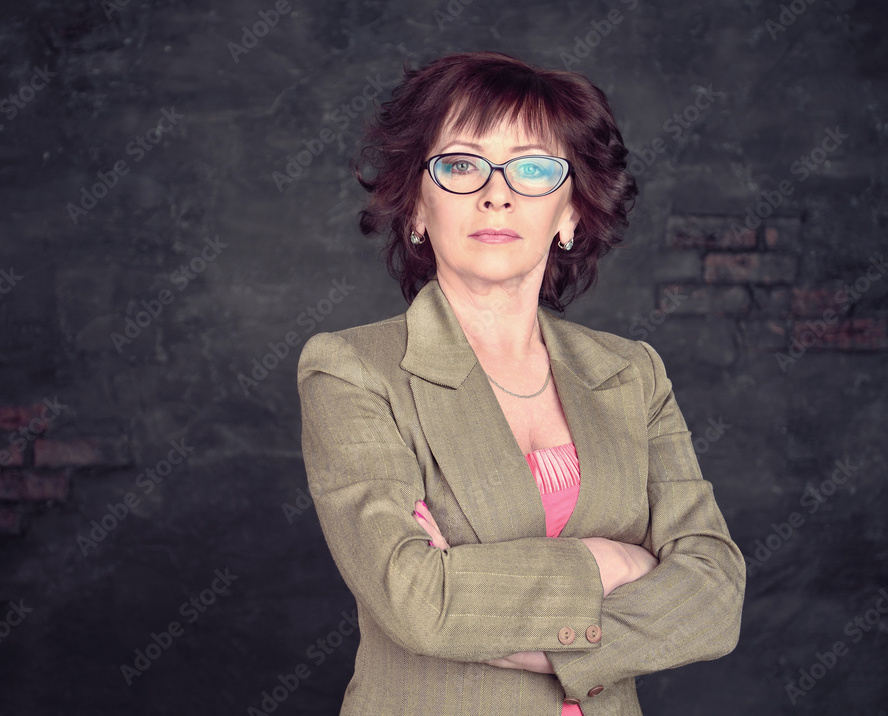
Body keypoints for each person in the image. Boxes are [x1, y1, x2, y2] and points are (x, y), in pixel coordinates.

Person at [297, 51, 745, 715]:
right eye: (460, 164)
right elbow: (420, 603)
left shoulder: (631, 373)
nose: (496, 192)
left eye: (534, 168)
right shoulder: (352, 370)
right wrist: (612, 564)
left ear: (570, 212)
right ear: (417, 204)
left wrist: (504, 618)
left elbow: (713, 599)